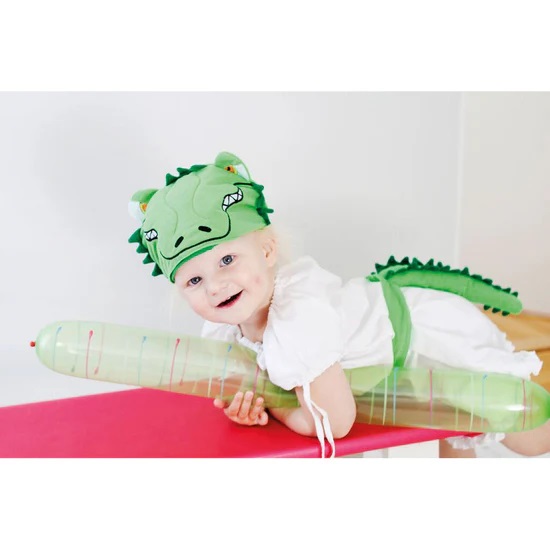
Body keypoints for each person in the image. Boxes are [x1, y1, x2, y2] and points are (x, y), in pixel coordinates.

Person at [129, 151, 550, 458]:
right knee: (447, 429)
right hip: (395, 364)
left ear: (268, 251)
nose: (216, 286)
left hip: (424, 336)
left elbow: (335, 421)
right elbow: (257, 386)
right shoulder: (225, 330)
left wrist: (276, 406)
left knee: (526, 431)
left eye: (227, 260)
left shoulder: (297, 318)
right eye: (195, 280)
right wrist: (251, 407)